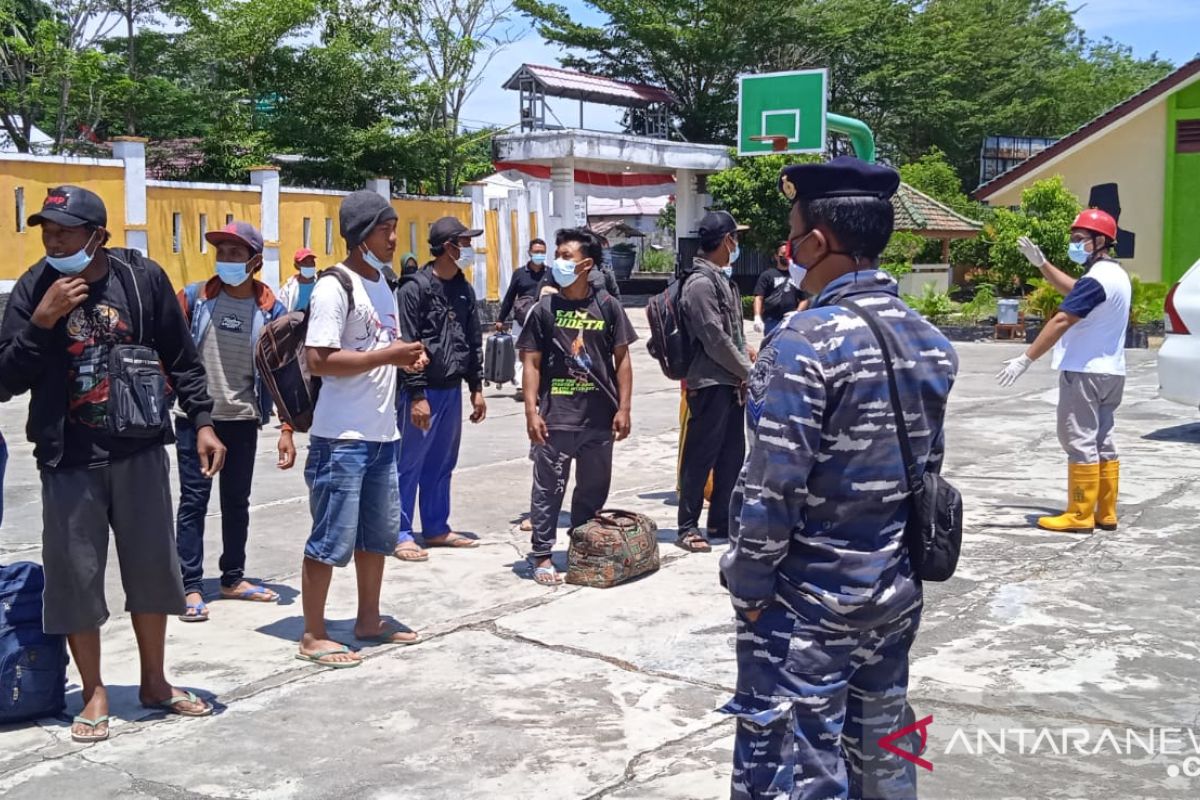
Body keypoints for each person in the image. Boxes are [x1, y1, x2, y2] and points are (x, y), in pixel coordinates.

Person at [719, 157, 958, 800]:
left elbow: (772, 488)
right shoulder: (932, 340)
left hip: (806, 601)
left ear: (817, 242)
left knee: (793, 758)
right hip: (893, 589)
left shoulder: (802, 340)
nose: (790, 249)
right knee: (883, 747)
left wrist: (747, 583)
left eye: (793, 236)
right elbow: (926, 469)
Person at [0, 186, 223, 740]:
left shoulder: (140, 280)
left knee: (152, 568)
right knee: (76, 578)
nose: (54, 241)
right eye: (47, 232)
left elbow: (181, 357)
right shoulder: (33, 288)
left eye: (65, 232)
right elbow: (5, 379)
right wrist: (41, 323)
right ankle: (94, 690)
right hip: (67, 457)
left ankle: (154, 680)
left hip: (140, 448)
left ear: (97, 235)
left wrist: (203, 421)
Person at [298, 190, 428, 668]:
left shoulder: (384, 283)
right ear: (358, 235)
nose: (393, 237)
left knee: (377, 536)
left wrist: (406, 354)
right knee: (330, 537)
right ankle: (313, 633)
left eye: (394, 226)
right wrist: (387, 356)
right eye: (383, 228)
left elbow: (380, 346)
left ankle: (368, 619)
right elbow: (320, 360)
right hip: (342, 438)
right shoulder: (336, 285)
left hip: (381, 435)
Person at [173, 221, 288, 622]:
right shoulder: (194, 298)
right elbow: (168, 351)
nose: (226, 260)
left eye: (235, 254)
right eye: (221, 252)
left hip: (242, 417)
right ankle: (187, 585)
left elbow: (285, 372)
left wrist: (287, 428)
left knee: (237, 503)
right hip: (194, 419)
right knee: (193, 501)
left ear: (255, 261)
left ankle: (232, 578)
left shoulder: (271, 310)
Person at [997, 209, 1130, 533]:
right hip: (1112, 373)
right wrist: (1042, 264)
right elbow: (1074, 290)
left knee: (1078, 439)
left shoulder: (1097, 279)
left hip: (1084, 372)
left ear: (1100, 241)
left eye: (1080, 239)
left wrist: (1025, 359)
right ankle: (1105, 511)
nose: (1074, 244)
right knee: (1103, 440)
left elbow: (1061, 319)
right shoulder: (1115, 275)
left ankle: (1079, 513)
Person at [517, 228, 636, 585]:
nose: (558, 262)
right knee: (548, 489)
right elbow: (531, 363)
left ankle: (583, 547)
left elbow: (623, 359)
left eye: (566, 256)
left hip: (599, 417)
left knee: (593, 489)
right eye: (557, 254)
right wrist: (530, 411)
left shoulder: (608, 306)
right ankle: (541, 555)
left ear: (586, 264)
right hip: (557, 418)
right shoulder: (545, 308)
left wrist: (624, 408)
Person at [393, 216, 488, 561]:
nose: (468, 249)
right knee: (409, 463)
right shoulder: (413, 289)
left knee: (442, 462)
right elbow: (407, 343)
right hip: (421, 392)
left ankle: (436, 527)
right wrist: (416, 394)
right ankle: (401, 531)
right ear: (447, 247)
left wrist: (476, 387)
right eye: (463, 243)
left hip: (452, 390)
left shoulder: (464, 289)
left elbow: (473, 340)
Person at [675, 210, 753, 554]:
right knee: (700, 456)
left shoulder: (721, 279)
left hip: (729, 381)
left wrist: (745, 356)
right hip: (709, 382)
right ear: (726, 241)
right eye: (735, 237)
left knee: (732, 455)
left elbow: (730, 334)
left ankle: (721, 521)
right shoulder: (700, 283)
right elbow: (713, 337)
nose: (737, 244)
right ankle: (687, 525)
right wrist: (747, 372)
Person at [496, 238, 550, 389]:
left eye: (542, 252)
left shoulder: (551, 273)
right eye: (536, 252)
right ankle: (521, 384)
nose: (539, 255)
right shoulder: (519, 273)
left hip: (543, 321)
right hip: (521, 320)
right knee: (520, 353)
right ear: (529, 253)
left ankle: (540, 382)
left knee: (542, 353)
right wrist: (501, 318)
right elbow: (509, 297)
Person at [752, 241, 808, 337]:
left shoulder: (796, 275)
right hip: (772, 321)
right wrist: (757, 316)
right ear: (776, 256)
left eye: (788, 254)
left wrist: (797, 312)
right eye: (783, 254)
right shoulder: (768, 275)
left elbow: (804, 299)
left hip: (791, 321)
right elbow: (759, 297)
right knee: (772, 348)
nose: (786, 256)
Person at [278, 247, 318, 312]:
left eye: (312, 261)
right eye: (305, 262)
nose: (310, 264)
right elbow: (282, 309)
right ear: (297, 265)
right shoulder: (288, 287)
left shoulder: (320, 283)